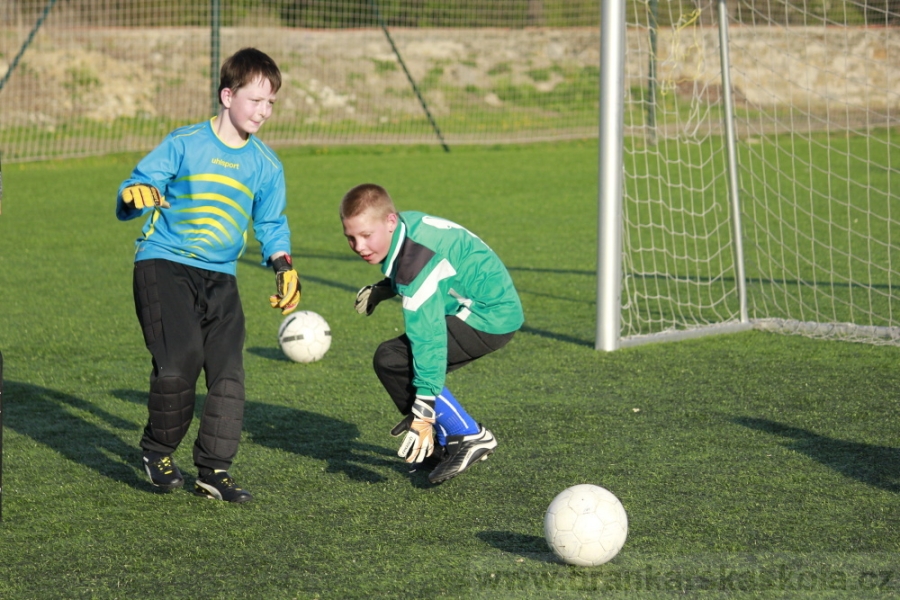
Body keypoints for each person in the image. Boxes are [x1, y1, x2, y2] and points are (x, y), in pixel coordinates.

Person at [116, 48, 301, 503]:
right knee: (179, 363)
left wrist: (284, 266)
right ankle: (158, 451)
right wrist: (135, 193)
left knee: (228, 375)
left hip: (221, 278)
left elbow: (271, 223)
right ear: (227, 95)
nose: (263, 111)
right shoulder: (185, 143)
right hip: (163, 264)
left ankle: (214, 470)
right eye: (255, 100)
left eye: (270, 103)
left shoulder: (266, 165)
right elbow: (136, 187)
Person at [340, 183, 524, 483]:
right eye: (351, 237)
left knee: (395, 359)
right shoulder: (406, 224)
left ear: (388, 222)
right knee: (391, 360)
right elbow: (428, 265)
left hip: (489, 316)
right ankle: (440, 447)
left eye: (365, 236)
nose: (359, 246)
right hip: (481, 303)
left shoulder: (416, 266)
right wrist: (384, 289)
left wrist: (423, 411)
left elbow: (429, 342)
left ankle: (468, 434)